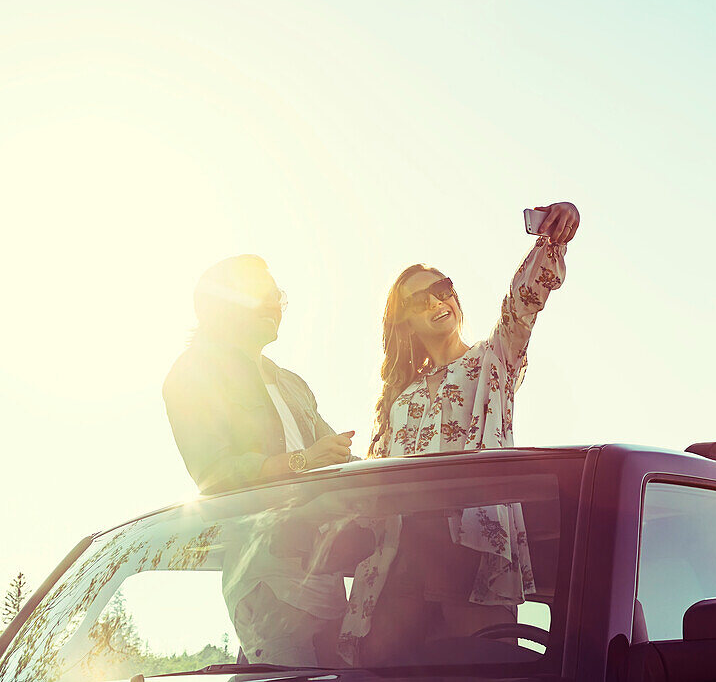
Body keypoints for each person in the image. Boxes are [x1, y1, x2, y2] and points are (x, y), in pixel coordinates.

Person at [337, 202, 581, 664]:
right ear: (403, 321)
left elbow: (522, 304)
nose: (435, 301)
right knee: (381, 670)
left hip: (469, 555)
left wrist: (551, 240)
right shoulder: (400, 397)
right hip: (400, 561)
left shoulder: (493, 361)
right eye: (418, 299)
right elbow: (374, 491)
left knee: (475, 670)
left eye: (442, 288)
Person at [163, 254, 355, 665]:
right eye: (260, 295)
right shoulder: (192, 373)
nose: (274, 305)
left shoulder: (292, 382)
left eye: (277, 297)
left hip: (325, 577)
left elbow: (337, 457)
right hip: (265, 579)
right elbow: (214, 475)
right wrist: (301, 461)